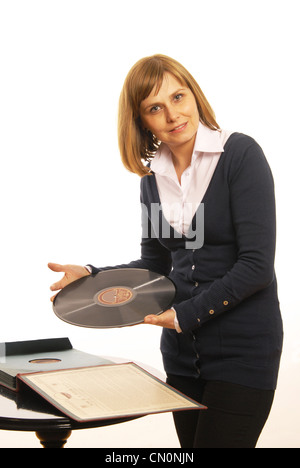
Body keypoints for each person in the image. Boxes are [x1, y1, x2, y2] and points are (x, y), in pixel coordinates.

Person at [48, 54, 283, 448]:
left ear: (194, 95)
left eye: (178, 97)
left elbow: (257, 266)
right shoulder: (152, 182)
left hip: (243, 355)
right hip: (181, 358)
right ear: (141, 121)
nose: (173, 114)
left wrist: (184, 315)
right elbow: (155, 265)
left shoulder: (240, 156)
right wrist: (92, 275)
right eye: (155, 108)